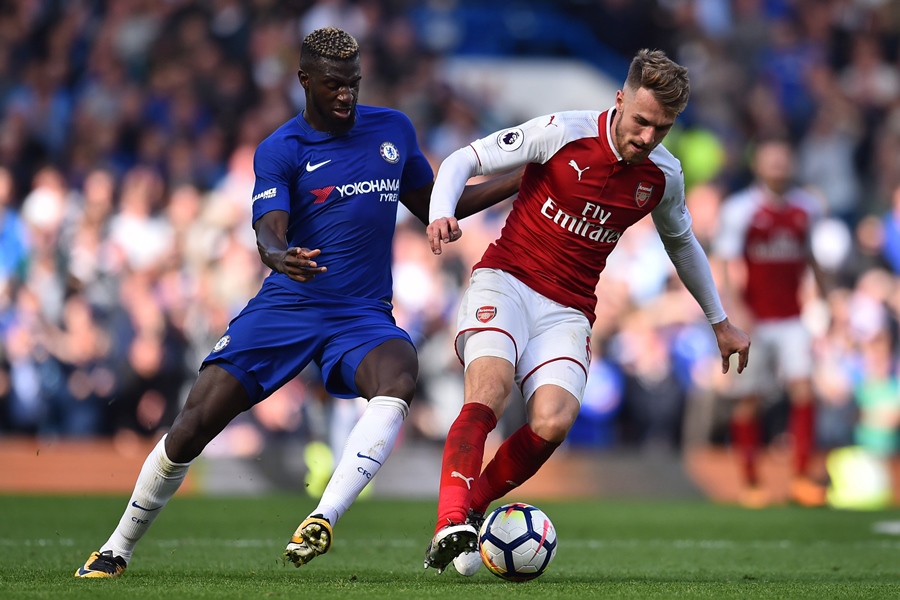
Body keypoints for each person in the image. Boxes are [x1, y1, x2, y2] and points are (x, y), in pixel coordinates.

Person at [74, 26, 519, 579]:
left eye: (353, 83)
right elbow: (269, 228)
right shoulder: (281, 148)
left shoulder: (393, 130)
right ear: (304, 79)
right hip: (289, 306)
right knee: (193, 423)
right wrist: (276, 253)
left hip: (361, 315)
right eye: (334, 84)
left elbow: (435, 204)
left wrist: (521, 179)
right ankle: (116, 547)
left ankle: (324, 516)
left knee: (400, 372)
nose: (346, 95)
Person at [421, 48, 752, 575]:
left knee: (553, 420)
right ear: (620, 100)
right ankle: (448, 524)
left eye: (661, 128)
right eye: (641, 121)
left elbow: (682, 244)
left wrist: (720, 320)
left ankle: (469, 513)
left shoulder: (663, 175)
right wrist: (441, 213)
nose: (647, 137)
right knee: (489, 388)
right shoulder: (563, 131)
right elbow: (466, 158)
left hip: (569, 308)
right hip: (506, 278)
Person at [712, 138, 828, 508]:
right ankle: (750, 482)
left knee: (804, 389)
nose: (778, 165)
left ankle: (801, 478)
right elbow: (729, 263)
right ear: (758, 165)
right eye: (771, 159)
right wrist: (737, 309)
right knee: (749, 398)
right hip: (756, 320)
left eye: (783, 159)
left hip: (793, 316)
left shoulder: (806, 208)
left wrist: (825, 296)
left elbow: (809, 256)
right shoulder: (740, 209)